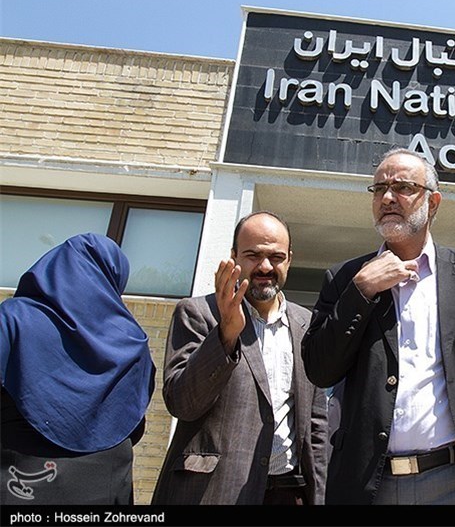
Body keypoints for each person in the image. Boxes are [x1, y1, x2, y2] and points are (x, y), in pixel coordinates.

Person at [301, 147, 455, 505]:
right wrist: (361, 291)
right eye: (379, 189)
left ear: (432, 202)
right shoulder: (346, 279)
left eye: (403, 187)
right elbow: (319, 369)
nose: (387, 198)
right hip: (370, 485)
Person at [151, 211, 328, 505]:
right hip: (214, 492)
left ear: (289, 260)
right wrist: (225, 335)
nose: (265, 266)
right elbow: (183, 404)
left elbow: (316, 423)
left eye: (276, 257)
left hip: (289, 491)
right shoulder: (198, 313)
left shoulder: (306, 324)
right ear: (234, 256)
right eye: (253, 255)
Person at [0, 233, 155, 505]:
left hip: (18, 477)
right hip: (106, 484)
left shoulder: (13, 318)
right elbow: (133, 423)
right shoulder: (133, 341)